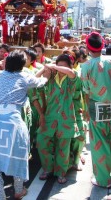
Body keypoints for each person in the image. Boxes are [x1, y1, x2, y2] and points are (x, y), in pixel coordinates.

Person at [0, 50, 47, 200]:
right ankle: (18, 191)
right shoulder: (25, 77)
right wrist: (47, 70)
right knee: (18, 156)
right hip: (13, 120)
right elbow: (42, 81)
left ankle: (0, 197)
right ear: (22, 64)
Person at [81, 32, 111, 188]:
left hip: (97, 107)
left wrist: (86, 110)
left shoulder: (86, 66)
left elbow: (86, 91)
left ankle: (103, 179)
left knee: (99, 144)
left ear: (88, 48)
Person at [36, 54, 80, 184]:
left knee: (63, 147)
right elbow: (35, 78)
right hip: (50, 116)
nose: (60, 69)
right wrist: (45, 68)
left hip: (66, 118)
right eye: (58, 66)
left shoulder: (71, 77)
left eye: (63, 66)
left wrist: (54, 66)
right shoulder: (51, 77)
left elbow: (71, 73)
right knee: (41, 141)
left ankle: (61, 172)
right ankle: (47, 169)